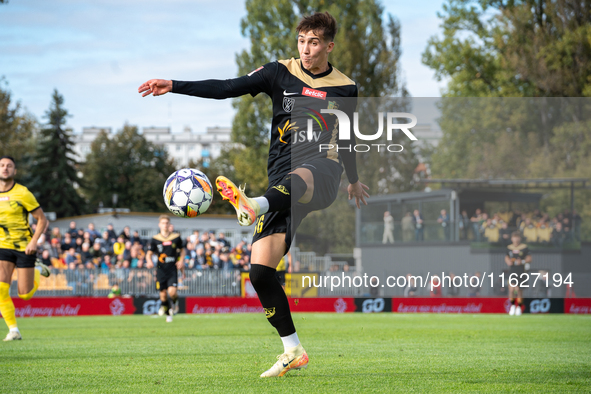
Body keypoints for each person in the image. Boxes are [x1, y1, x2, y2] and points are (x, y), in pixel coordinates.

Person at [138, 12, 368, 377]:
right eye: (301, 41)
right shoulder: (280, 71)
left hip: (323, 173)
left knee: (308, 170)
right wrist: (174, 84)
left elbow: (350, 140)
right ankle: (293, 350)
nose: (306, 50)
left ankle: (253, 204)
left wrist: (353, 180)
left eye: (313, 43)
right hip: (281, 182)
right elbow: (227, 87)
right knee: (260, 272)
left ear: (328, 46)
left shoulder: (346, 87)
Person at [0, 156, 51, 341]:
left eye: (9, 166)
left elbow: (42, 219)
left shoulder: (23, 193)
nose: (5, 168)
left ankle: (37, 268)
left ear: (14, 171)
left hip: (24, 247)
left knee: (25, 295)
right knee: (1, 290)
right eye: (2, 165)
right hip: (2, 247)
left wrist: (34, 241)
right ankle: (14, 330)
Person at [145, 215, 185, 323]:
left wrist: (181, 260)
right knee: (163, 295)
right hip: (160, 270)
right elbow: (148, 254)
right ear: (159, 225)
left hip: (172, 269)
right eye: (163, 223)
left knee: (172, 292)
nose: (165, 225)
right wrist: (149, 261)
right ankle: (168, 314)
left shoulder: (176, 237)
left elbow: (182, 250)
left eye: (167, 223)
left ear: (169, 224)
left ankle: (175, 303)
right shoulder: (155, 239)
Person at [505, 231, 531, 316]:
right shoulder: (509, 247)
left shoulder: (524, 248)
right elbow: (506, 257)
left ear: (520, 238)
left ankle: (519, 307)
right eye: (514, 237)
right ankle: (512, 306)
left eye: (517, 237)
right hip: (512, 270)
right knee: (512, 289)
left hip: (521, 271)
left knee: (519, 290)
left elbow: (529, 258)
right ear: (512, 239)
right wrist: (508, 262)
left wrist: (522, 261)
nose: (516, 239)